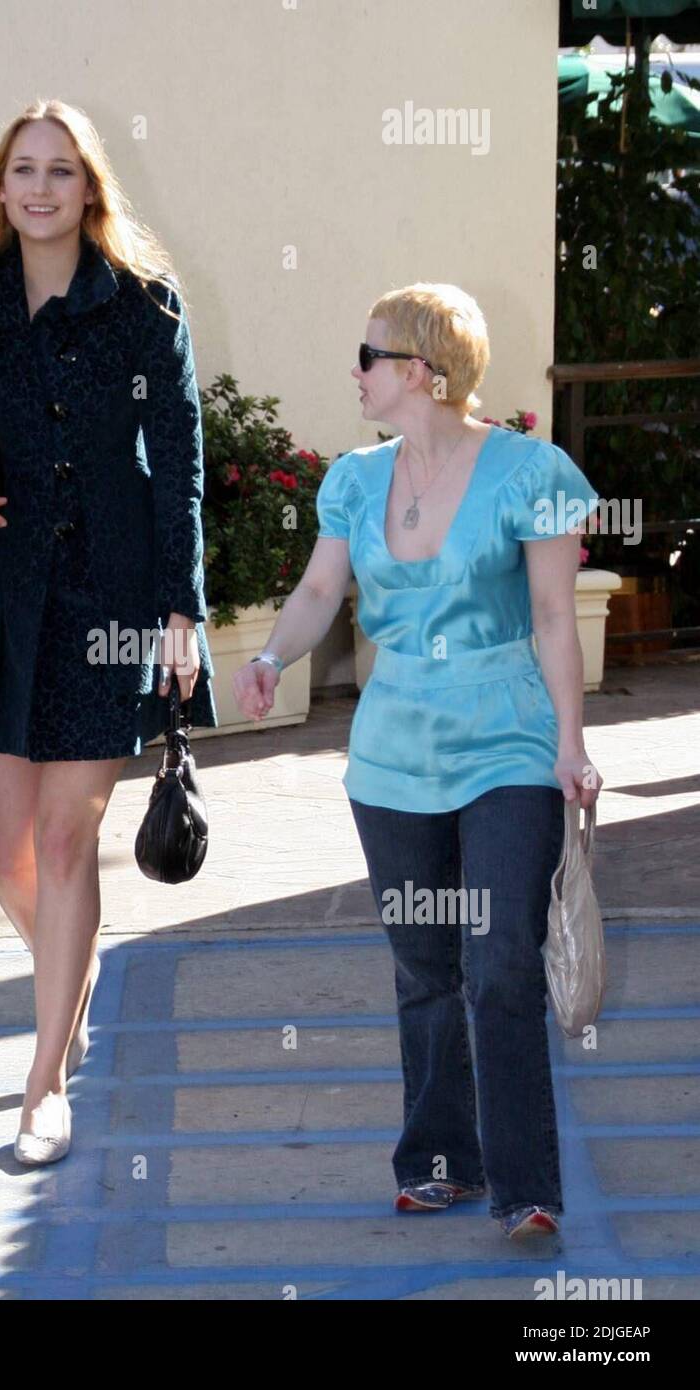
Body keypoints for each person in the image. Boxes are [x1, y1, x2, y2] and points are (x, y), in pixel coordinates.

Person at [233, 283, 601, 1239]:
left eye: (370, 354)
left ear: (424, 373)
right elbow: (321, 589)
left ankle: (528, 1188)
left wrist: (571, 742)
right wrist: (272, 657)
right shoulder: (356, 480)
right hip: (393, 751)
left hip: (509, 740)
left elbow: (557, 617)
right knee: (424, 967)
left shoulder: (533, 471)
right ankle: (442, 1162)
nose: (354, 370)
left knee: (500, 964)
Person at [0, 99, 218, 1165]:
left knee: (64, 842)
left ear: (89, 186)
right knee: (8, 853)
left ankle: (43, 1078)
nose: (41, 187)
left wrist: (179, 606)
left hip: (110, 599)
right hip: (2, 598)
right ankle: (71, 982)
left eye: (60, 170)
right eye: (23, 170)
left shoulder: (143, 303)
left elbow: (179, 460)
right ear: (0, 187)